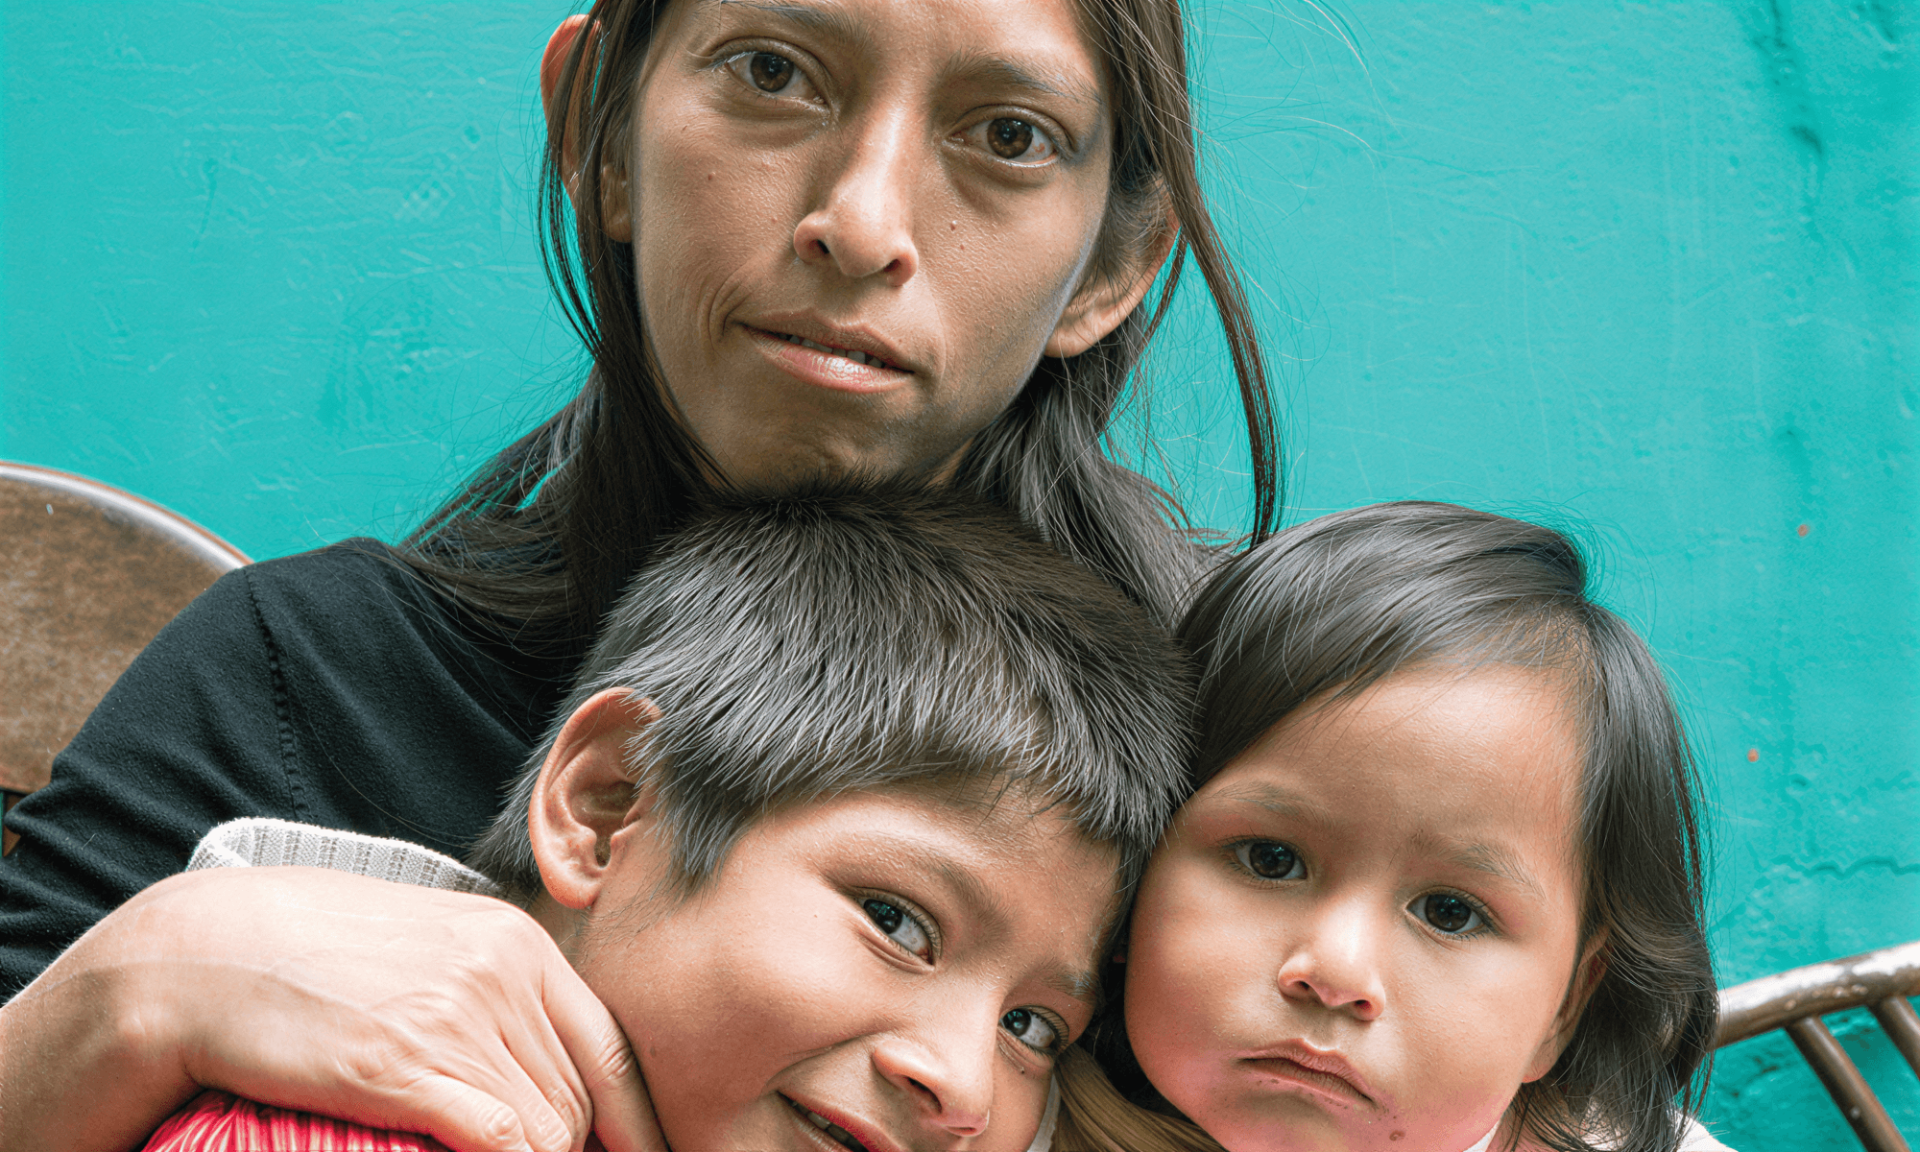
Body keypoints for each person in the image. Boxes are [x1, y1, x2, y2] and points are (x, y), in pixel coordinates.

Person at [0, 1, 1279, 1149]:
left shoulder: (1248, 769)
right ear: (602, 130)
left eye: (1008, 135)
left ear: (1113, 264)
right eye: (773, 70)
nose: (865, 223)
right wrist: (145, 981)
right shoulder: (303, 675)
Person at [129, 481, 1197, 1152]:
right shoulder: (326, 1125)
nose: (962, 1084)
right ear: (606, 810)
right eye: (897, 921)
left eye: (1031, 1028)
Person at [1051, 502, 1731, 1152]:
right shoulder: (989, 1110)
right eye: (1270, 860)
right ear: (1131, 879)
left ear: (1565, 1008)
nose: (1336, 972)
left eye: (1450, 912)